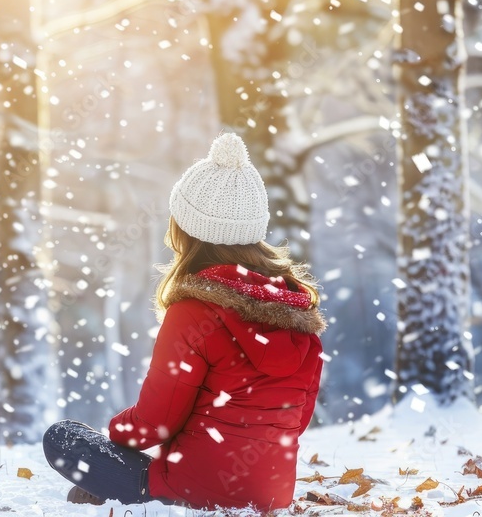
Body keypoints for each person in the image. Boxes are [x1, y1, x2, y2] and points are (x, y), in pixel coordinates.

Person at [42, 133, 326, 512]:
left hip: (189, 492)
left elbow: (153, 425)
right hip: (269, 497)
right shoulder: (298, 315)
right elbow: (296, 422)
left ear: (189, 229)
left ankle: (110, 494)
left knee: (62, 437)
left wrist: (113, 433)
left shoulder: (195, 311)